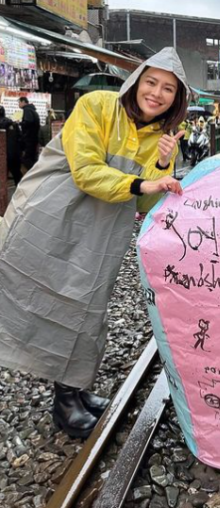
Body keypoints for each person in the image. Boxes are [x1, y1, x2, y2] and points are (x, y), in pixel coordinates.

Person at [0, 48, 189, 439]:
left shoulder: (163, 138)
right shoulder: (97, 105)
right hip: (52, 220)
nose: (156, 93)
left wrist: (165, 164)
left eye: (168, 88)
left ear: (177, 97)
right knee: (33, 299)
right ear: (136, 79)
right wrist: (144, 181)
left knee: (87, 309)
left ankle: (72, 393)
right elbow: (86, 171)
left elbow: (148, 203)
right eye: (151, 81)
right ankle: (67, 403)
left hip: (100, 234)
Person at [0, 105, 22, 185]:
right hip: (14, 153)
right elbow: (20, 138)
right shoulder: (13, 124)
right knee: (17, 174)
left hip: (2, 154)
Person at [18, 96, 40, 170]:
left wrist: (20, 123)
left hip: (29, 138)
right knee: (32, 158)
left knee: (26, 158)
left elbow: (29, 122)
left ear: (23, 102)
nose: (18, 104)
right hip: (34, 138)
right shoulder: (32, 110)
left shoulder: (27, 110)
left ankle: (34, 173)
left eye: (19, 102)